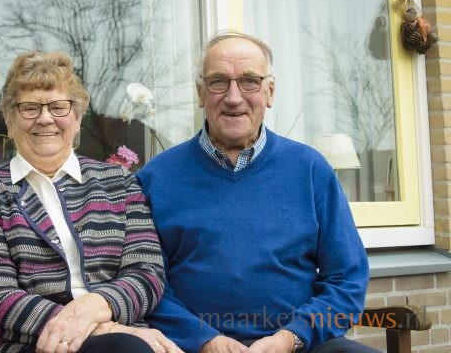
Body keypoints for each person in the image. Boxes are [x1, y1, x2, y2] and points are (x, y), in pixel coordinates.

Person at [136, 31, 377, 353]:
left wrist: (290, 337)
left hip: (300, 344)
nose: (234, 97)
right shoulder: (157, 178)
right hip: (190, 346)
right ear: (200, 92)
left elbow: (347, 277)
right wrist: (203, 339)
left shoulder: (310, 169)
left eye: (249, 81)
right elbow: (145, 282)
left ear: (270, 92)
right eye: (218, 82)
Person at [0, 51, 181, 353]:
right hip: (25, 342)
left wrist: (96, 309)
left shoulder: (119, 182)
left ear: (77, 119)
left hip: (119, 338)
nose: (45, 118)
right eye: (29, 108)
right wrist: (99, 328)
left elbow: (146, 273)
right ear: (9, 121)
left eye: (58, 107)